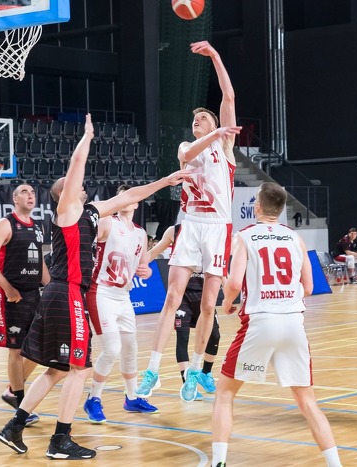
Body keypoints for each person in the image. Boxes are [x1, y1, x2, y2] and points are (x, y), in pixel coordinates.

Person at [0, 114, 187, 459]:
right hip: (66, 291)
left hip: (64, 294)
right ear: (64, 194)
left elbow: (131, 195)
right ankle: (60, 440)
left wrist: (165, 181)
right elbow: (76, 168)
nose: (83, 188)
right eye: (75, 186)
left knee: (57, 369)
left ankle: (14, 427)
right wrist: (86, 138)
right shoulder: (67, 211)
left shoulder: (92, 211)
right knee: (79, 368)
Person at [136, 40, 241, 402]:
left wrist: (216, 56)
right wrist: (213, 132)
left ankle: (196, 369)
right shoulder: (187, 147)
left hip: (218, 227)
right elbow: (190, 152)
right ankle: (152, 369)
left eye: (205, 118)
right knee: (172, 297)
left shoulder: (225, 148)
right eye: (195, 119)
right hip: (191, 223)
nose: (197, 120)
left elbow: (228, 96)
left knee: (209, 305)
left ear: (217, 123)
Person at [213, 182, 342, 467]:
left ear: (257, 207)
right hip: (293, 323)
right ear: (282, 210)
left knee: (224, 392)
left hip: (260, 322)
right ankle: (335, 464)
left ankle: (219, 462)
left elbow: (233, 284)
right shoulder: (296, 238)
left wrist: (227, 302)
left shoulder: (244, 236)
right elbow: (309, 287)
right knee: (307, 402)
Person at [83, 184, 159, 424]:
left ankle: (132, 397)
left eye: (130, 197)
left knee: (130, 347)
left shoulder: (140, 234)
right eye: (121, 197)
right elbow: (84, 245)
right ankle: (93, 398)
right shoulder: (107, 222)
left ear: (136, 202)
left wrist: (146, 271)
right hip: (101, 291)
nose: (125, 200)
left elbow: (143, 266)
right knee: (112, 348)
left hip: (124, 295)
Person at [0, 184, 49, 427]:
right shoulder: (5, 224)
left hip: (34, 294)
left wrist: (52, 287)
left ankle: (12, 390)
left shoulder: (38, 226)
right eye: (24, 192)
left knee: (40, 348)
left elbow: (39, 262)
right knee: (16, 351)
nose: (30, 195)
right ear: (14, 199)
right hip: (12, 296)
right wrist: (8, 288)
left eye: (32, 193)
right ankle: (21, 405)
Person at [148, 224, 220, 399]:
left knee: (215, 336)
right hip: (183, 295)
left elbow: (221, 265)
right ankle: (187, 382)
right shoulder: (175, 230)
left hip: (204, 294)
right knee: (183, 337)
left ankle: (206, 373)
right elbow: (153, 252)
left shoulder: (215, 230)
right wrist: (139, 263)